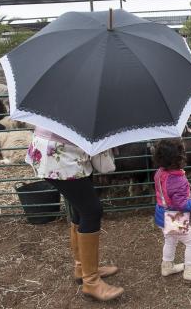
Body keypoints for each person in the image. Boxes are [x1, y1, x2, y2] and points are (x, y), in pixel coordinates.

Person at [25, 127, 124, 301]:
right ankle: (91, 282)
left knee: (81, 208)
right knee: (92, 211)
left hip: (66, 151)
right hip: (61, 154)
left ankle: (82, 268)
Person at [153, 138, 191, 284]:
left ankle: (167, 266)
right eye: (182, 153)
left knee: (170, 240)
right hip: (173, 217)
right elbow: (182, 205)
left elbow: (172, 196)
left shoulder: (160, 172)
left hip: (162, 213)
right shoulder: (177, 180)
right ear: (177, 158)